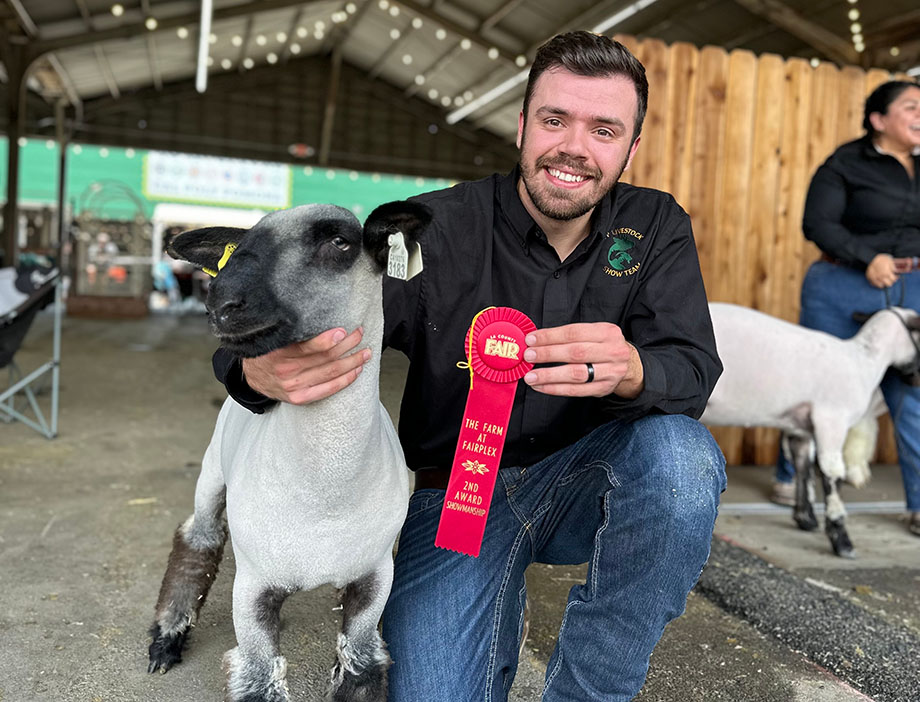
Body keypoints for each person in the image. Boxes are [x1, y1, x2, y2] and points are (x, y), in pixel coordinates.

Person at [213, 31, 726, 701]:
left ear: (631, 147)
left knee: (682, 459)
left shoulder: (655, 226)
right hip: (458, 494)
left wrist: (633, 368)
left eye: (604, 129)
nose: (574, 146)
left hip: (588, 480)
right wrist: (254, 370)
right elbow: (303, 313)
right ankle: (484, 600)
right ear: (520, 126)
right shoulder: (431, 227)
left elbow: (692, 368)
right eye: (554, 119)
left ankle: (589, 692)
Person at [771, 80, 920, 537]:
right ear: (878, 119)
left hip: (912, 285)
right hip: (841, 283)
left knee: (912, 391)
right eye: (911, 107)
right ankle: (791, 475)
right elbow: (817, 222)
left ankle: (918, 504)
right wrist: (865, 257)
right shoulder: (845, 163)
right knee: (814, 382)